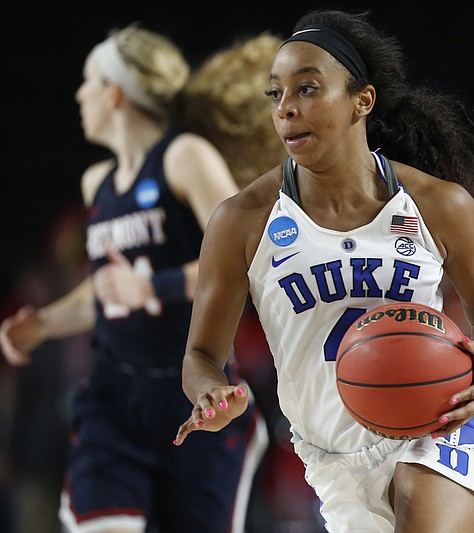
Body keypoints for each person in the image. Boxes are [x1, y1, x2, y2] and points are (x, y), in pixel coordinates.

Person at [173, 9, 474, 533]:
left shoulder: (438, 204)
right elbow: (200, 355)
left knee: (421, 499)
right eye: (276, 94)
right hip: (335, 461)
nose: (287, 109)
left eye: (307, 89)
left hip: (440, 423)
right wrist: (209, 393)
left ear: (363, 100)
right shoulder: (242, 220)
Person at [0, 24, 286, 533]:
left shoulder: (184, 157)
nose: (78, 94)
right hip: (114, 396)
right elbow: (108, 290)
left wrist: (152, 286)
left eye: (87, 80)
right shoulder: (98, 185)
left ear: (114, 91)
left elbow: (247, 257)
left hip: (195, 398)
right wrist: (43, 323)